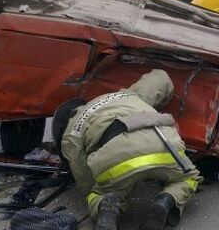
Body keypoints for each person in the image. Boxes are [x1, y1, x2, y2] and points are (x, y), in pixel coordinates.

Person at [52, 69, 202, 230]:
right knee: (188, 178)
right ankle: (166, 200)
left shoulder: (72, 130)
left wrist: (99, 190)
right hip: (164, 143)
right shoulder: (126, 95)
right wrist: (161, 102)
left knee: (98, 193)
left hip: (117, 156)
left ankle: (108, 205)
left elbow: (83, 174)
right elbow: (161, 78)